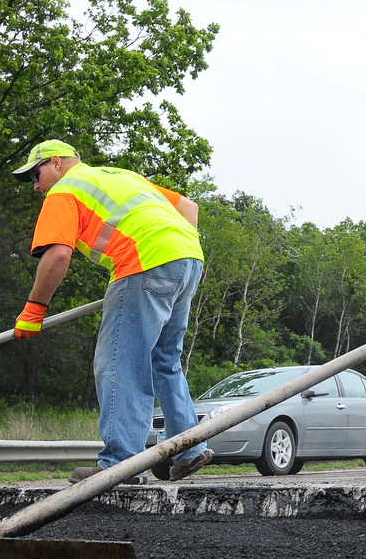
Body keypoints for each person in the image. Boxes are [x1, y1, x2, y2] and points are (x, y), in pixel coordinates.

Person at [12, 139, 214, 485]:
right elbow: (189, 207)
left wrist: (34, 309)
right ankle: (190, 448)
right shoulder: (119, 175)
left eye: (36, 173)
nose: (35, 184)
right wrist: (175, 254)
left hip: (143, 263)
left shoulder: (64, 190)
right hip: (188, 259)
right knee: (163, 360)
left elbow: (58, 255)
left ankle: (122, 463)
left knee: (120, 362)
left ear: (57, 163)